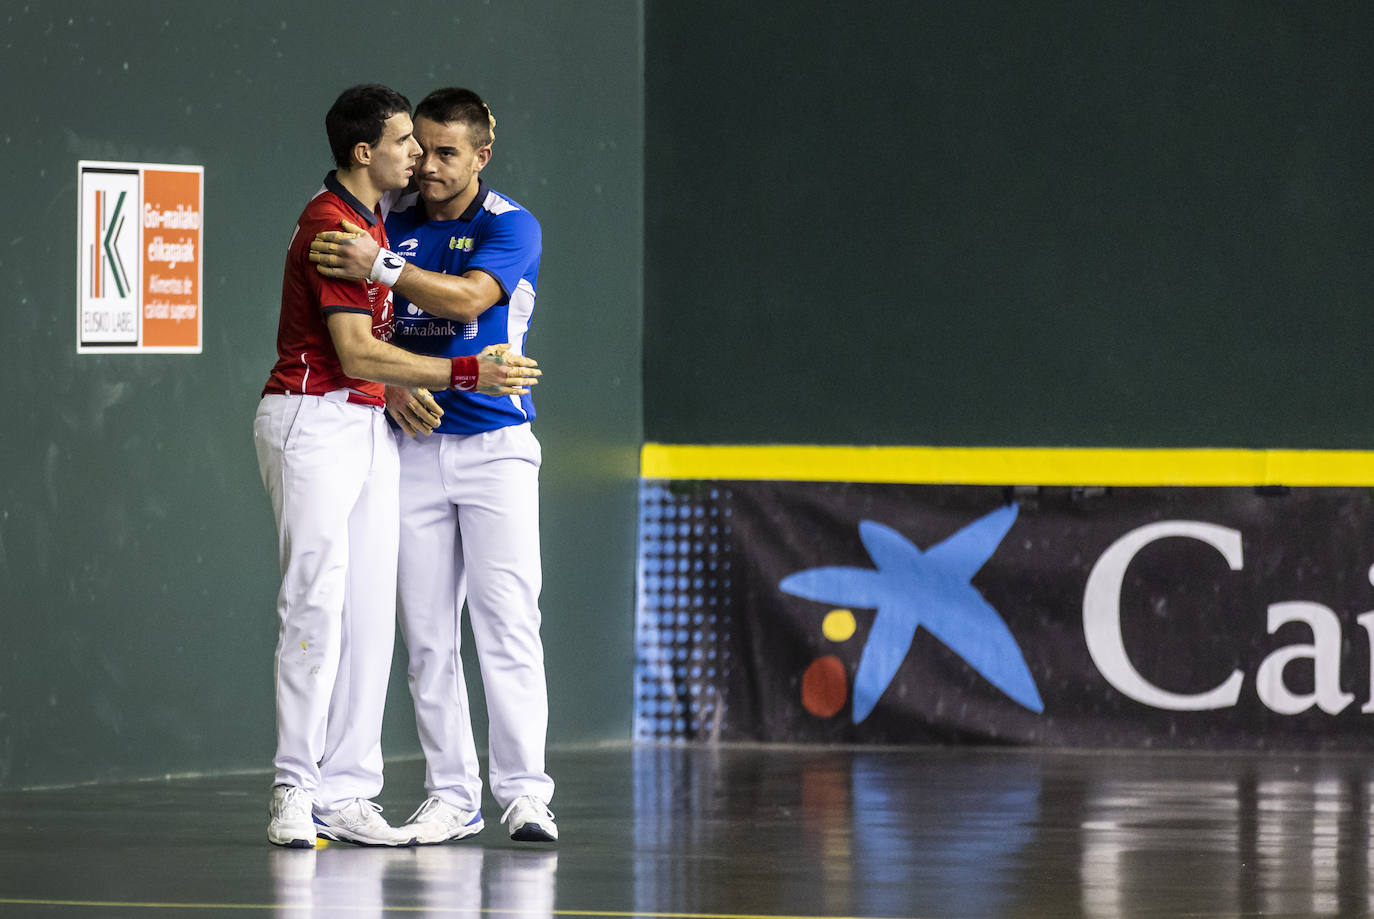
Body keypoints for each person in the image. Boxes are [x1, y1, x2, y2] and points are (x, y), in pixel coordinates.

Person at [255, 84, 541, 850]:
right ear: (366, 152)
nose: (421, 161)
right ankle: (319, 786)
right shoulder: (347, 224)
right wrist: (423, 381)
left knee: (418, 621)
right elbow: (352, 351)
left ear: (482, 154)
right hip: (344, 425)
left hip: (442, 438)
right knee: (344, 614)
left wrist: (392, 355)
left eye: (440, 149)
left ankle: (488, 795)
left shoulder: (407, 229)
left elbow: (461, 302)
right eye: (412, 144)